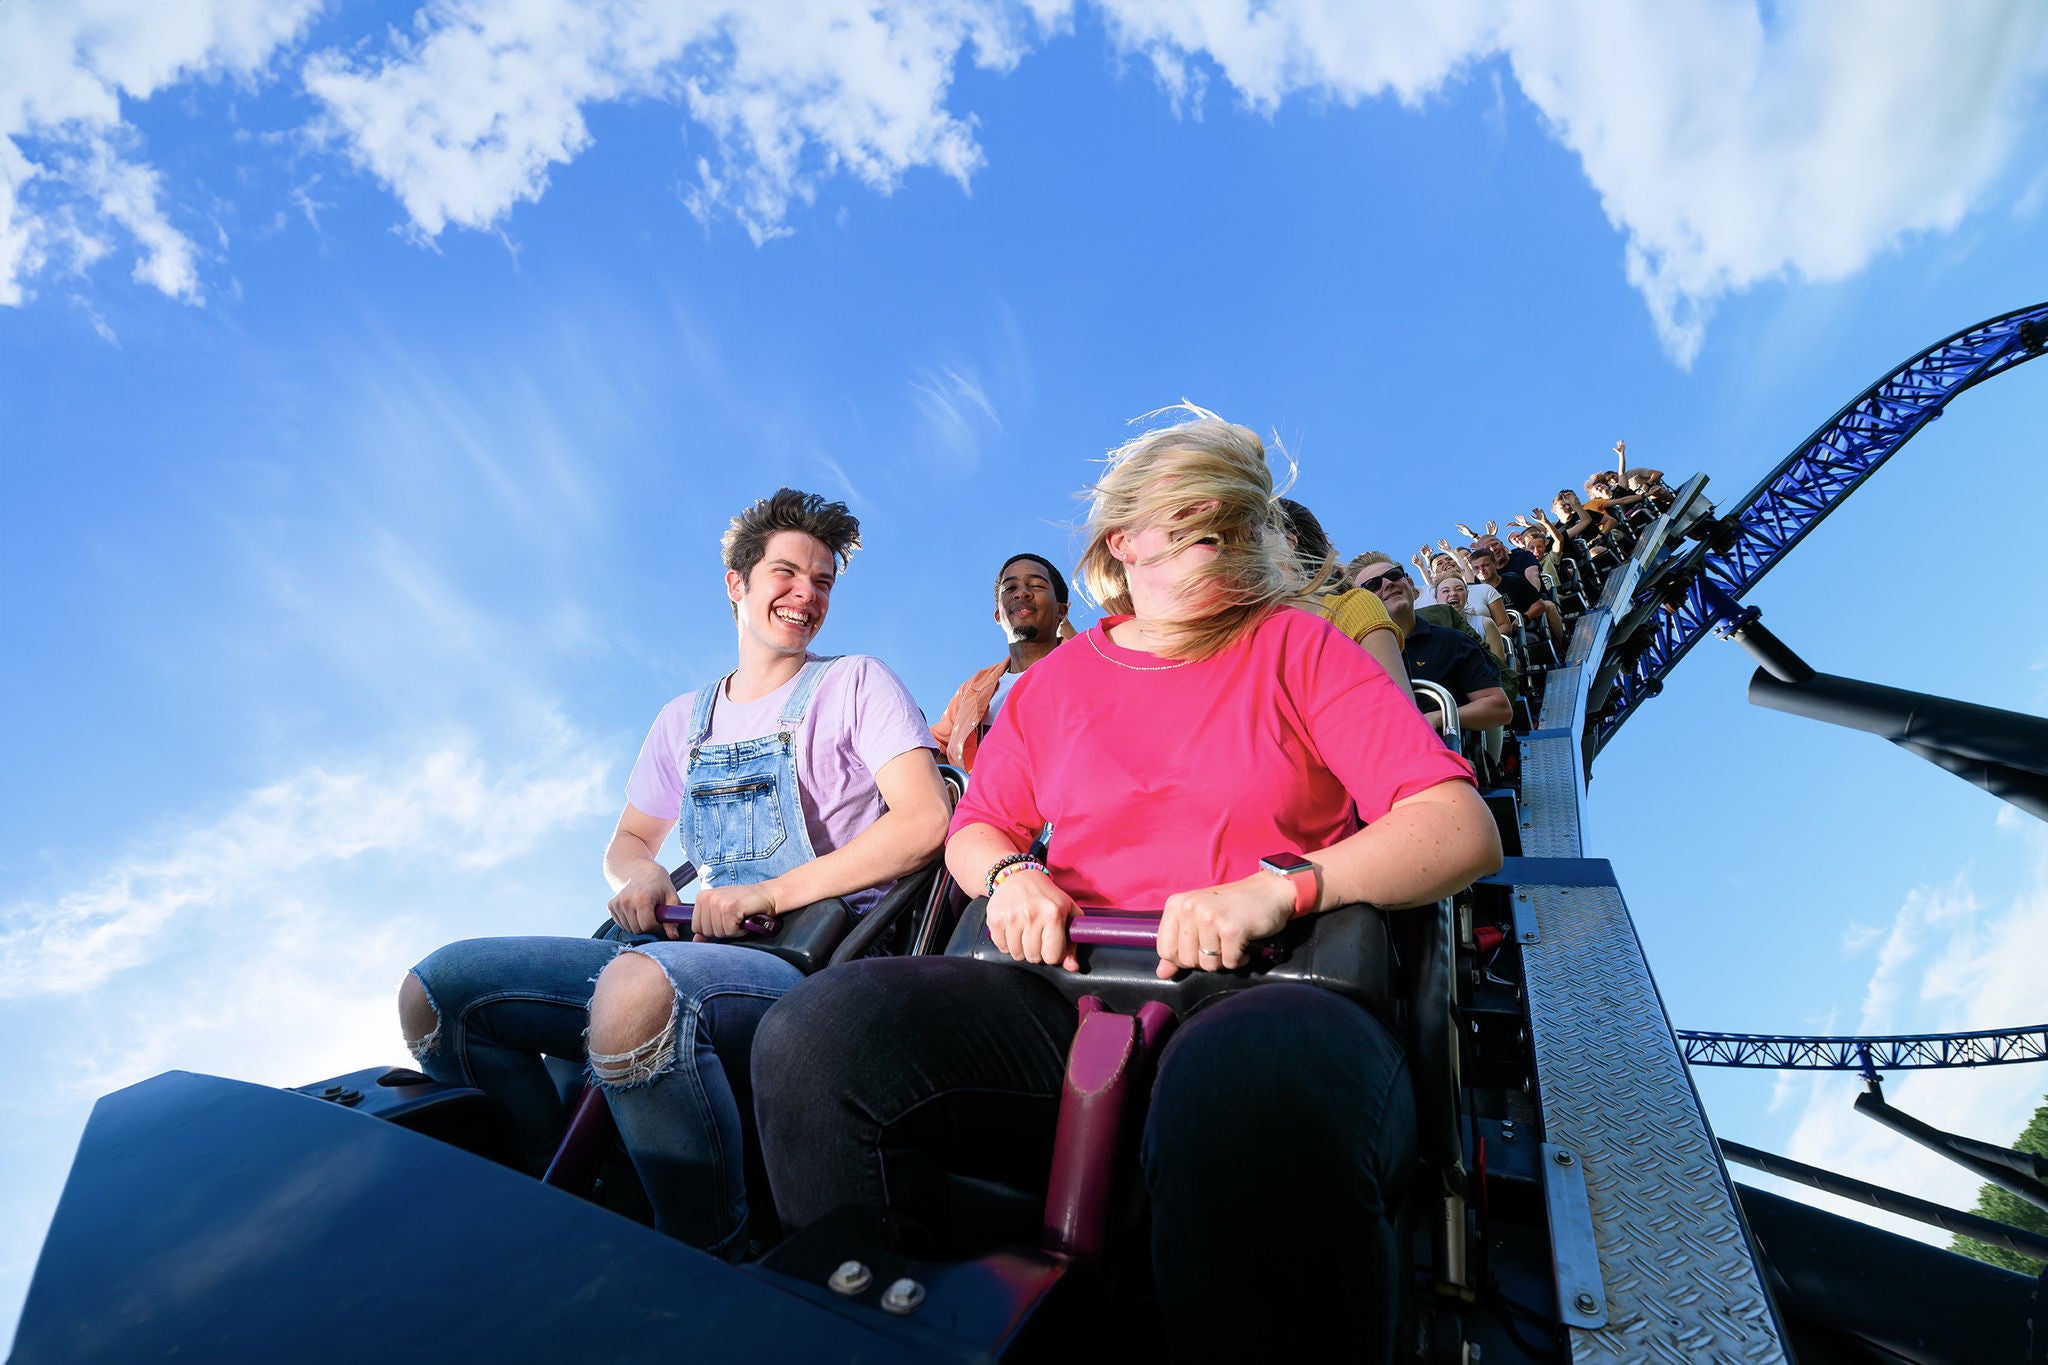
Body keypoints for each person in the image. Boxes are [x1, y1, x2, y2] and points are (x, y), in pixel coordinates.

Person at [753, 411, 1501, 1363]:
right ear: (1124, 541)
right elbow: (978, 827)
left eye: (1238, 526)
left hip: (1265, 988)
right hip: (1064, 987)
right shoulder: (1058, 682)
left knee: (1242, 1097)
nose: (1223, 545)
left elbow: (1455, 824)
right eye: (1196, 523)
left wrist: (1279, 891)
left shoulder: (1296, 646)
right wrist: (1015, 874)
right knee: (817, 1036)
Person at [397, 489, 950, 1256]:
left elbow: (925, 821)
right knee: (441, 990)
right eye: (787, 573)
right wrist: (644, 875)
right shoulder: (681, 722)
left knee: (635, 991)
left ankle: (710, 1253)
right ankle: (561, 1203)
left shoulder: (857, 683)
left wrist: (771, 892)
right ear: (737, 582)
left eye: (822, 582)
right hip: (684, 951)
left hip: (819, 967)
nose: (807, 595)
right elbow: (627, 837)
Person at [929, 553, 1071, 773]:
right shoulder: (972, 689)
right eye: (1010, 588)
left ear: (1062, 610)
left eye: (1036, 585)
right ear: (998, 615)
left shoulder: (1087, 672)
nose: (1022, 593)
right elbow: (936, 749)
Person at [1353, 553, 1512, 734]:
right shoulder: (1355, 661)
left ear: (1410, 584)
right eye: (1373, 585)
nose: (1387, 583)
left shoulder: (1453, 641)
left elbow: (1500, 709)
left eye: (1394, 575)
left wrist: (1437, 718)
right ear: (1362, 603)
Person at [1278, 497, 1410, 691]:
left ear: (1289, 542)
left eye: (1252, 533)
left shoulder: (1353, 605)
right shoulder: (1252, 627)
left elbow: (1397, 706)